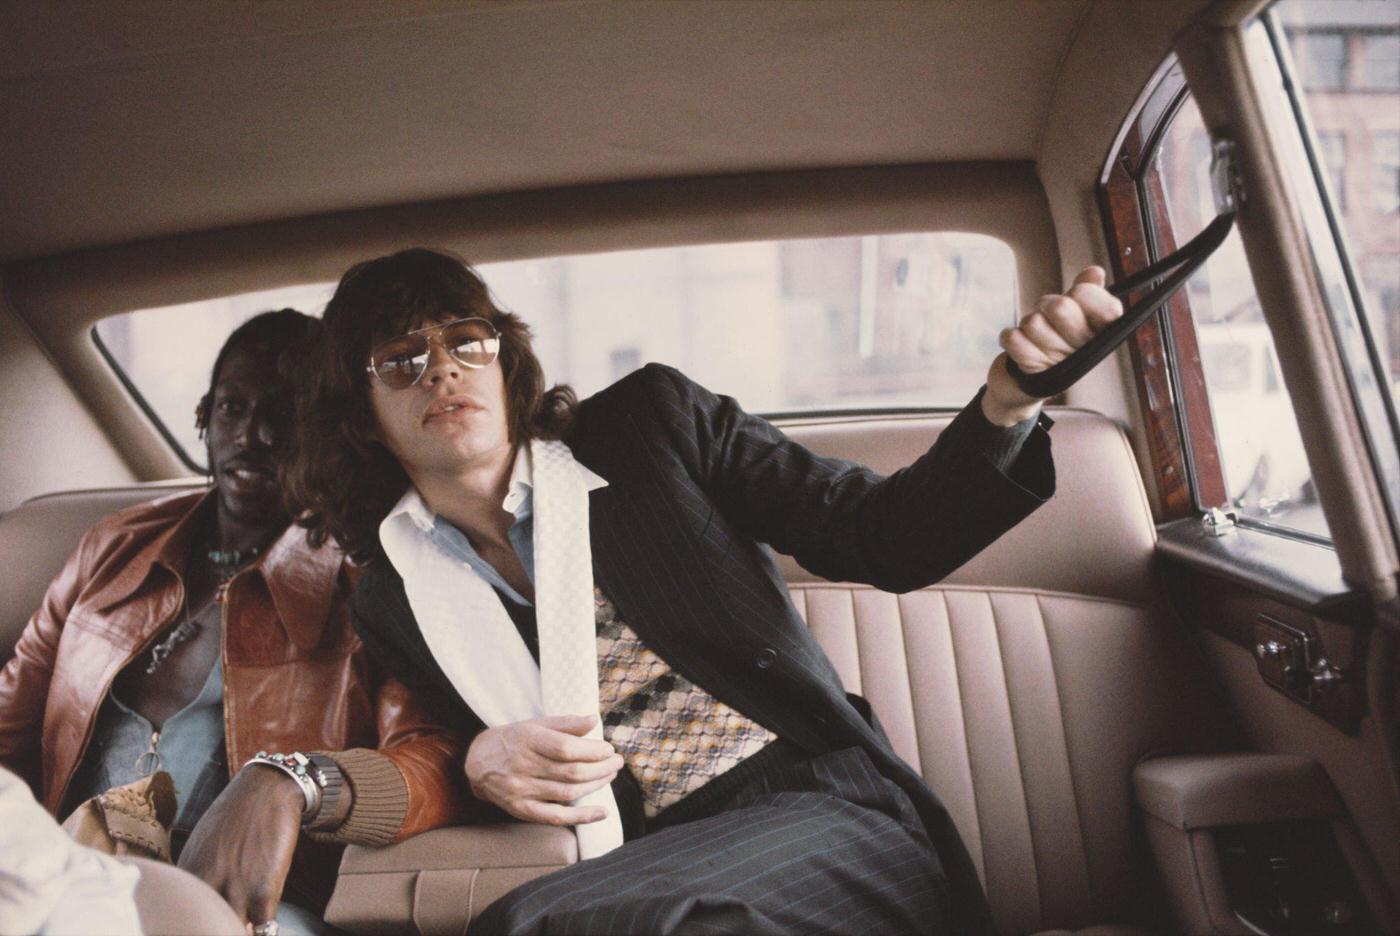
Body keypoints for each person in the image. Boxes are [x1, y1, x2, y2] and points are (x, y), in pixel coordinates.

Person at [285, 248, 1123, 935]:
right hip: (634, 861)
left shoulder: (652, 427)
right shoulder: (392, 597)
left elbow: (884, 536)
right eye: (402, 361)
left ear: (504, 361)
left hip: (825, 811)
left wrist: (1008, 405)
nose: (441, 372)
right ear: (360, 413)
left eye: (465, 340)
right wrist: (477, 761)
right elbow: (452, 755)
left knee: (548, 928)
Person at [0, 310, 471, 936]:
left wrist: (297, 781)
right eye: (231, 409)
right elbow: (12, 725)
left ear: (326, 432)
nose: (252, 436)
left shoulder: (367, 578)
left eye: (283, 414)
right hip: (74, 883)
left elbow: (436, 757)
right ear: (204, 418)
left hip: (253, 907)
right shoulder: (112, 549)